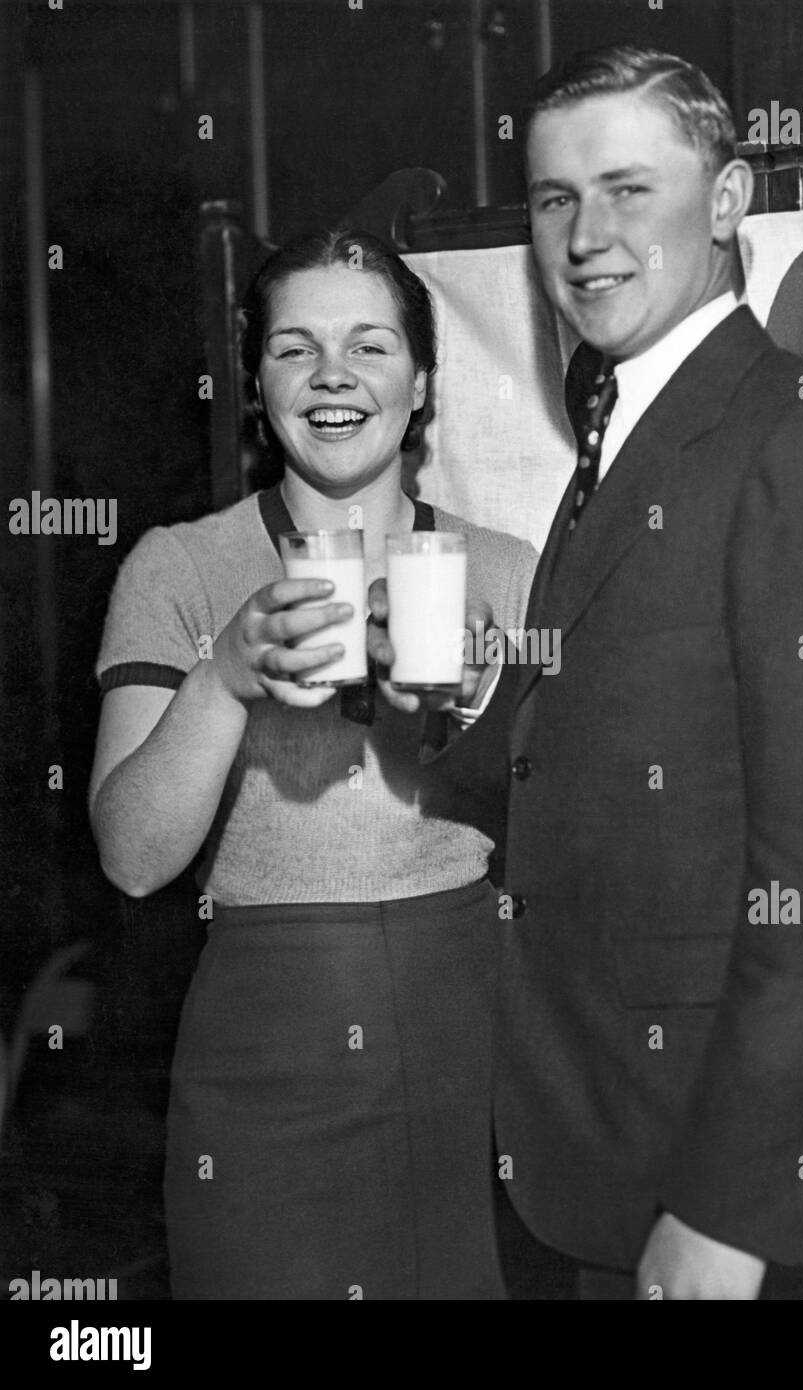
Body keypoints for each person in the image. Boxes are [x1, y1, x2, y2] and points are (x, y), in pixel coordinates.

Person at [370, 46, 803, 1299]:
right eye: (557, 199)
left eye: (629, 188)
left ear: (726, 202)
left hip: (712, 1201)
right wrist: (456, 699)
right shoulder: (623, 432)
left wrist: (732, 1212)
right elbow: (589, 774)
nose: (586, 234)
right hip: (585, 1157)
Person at [88, 228, 537, 1300]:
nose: (333, 376)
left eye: (370, 346)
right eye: (295, 349)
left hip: (473, 1039)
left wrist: (486, 695)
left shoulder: (510, 571)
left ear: (421, 384)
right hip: (263, 1050)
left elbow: (577, 844)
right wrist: (224, 678)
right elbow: (134, 859)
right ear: (256, 384)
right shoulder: (182, 565)